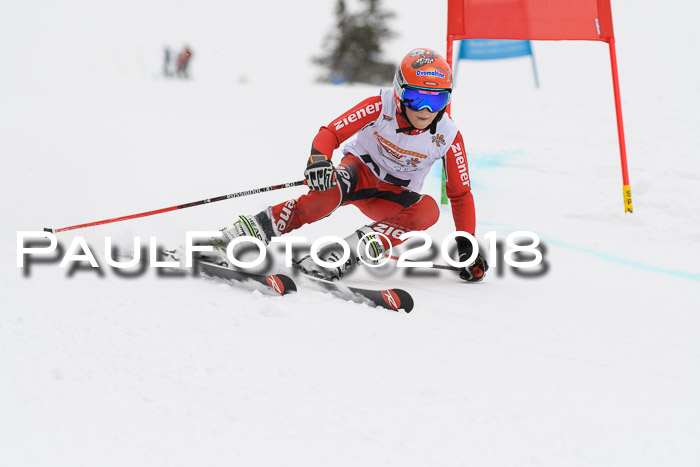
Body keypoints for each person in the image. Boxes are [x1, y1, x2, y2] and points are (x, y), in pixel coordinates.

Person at [214, 47, 488, 282]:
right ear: (399, 91)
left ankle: (343, 254)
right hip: (359, 174)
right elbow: (331, 133)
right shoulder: (380, 105)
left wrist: (468, 242)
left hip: (394, 196)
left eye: (437, 100)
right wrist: (319, 160)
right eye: (417, 98)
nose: (426, 111)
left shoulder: (448, 136)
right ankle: (249, 230)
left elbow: (461, 193)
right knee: (323, 200)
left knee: (428, 210)